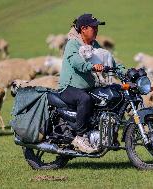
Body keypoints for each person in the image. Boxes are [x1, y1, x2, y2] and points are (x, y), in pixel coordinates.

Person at [58, 13, 123, 153]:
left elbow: (107, 58)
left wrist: (125, 71)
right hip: (69, 88)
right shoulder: (72, 44)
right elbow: (77, 62)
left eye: (97, 27)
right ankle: (80, 137)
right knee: (85, 99)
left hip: (88, 87)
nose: (97, 30)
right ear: (83, 29)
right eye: (94, 27)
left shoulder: (94, 44)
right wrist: (92, 66)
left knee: (117, 92)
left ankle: (110, 132)